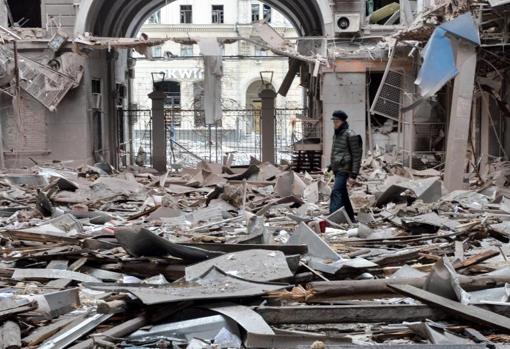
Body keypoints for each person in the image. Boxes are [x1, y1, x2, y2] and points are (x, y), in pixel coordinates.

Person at [328, 110, 362, 222]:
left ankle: (333, 219)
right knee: (343, 194)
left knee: (336, 192)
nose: (335, 124)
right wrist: (331, 165)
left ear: (342, 121)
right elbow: (337, 152)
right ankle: (351, 218)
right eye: (333, 121)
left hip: (344, 169)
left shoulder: (350, 134)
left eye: (337, 121)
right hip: (337, 168)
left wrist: (353, 175)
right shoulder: (337, 134)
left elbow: (357, 156)